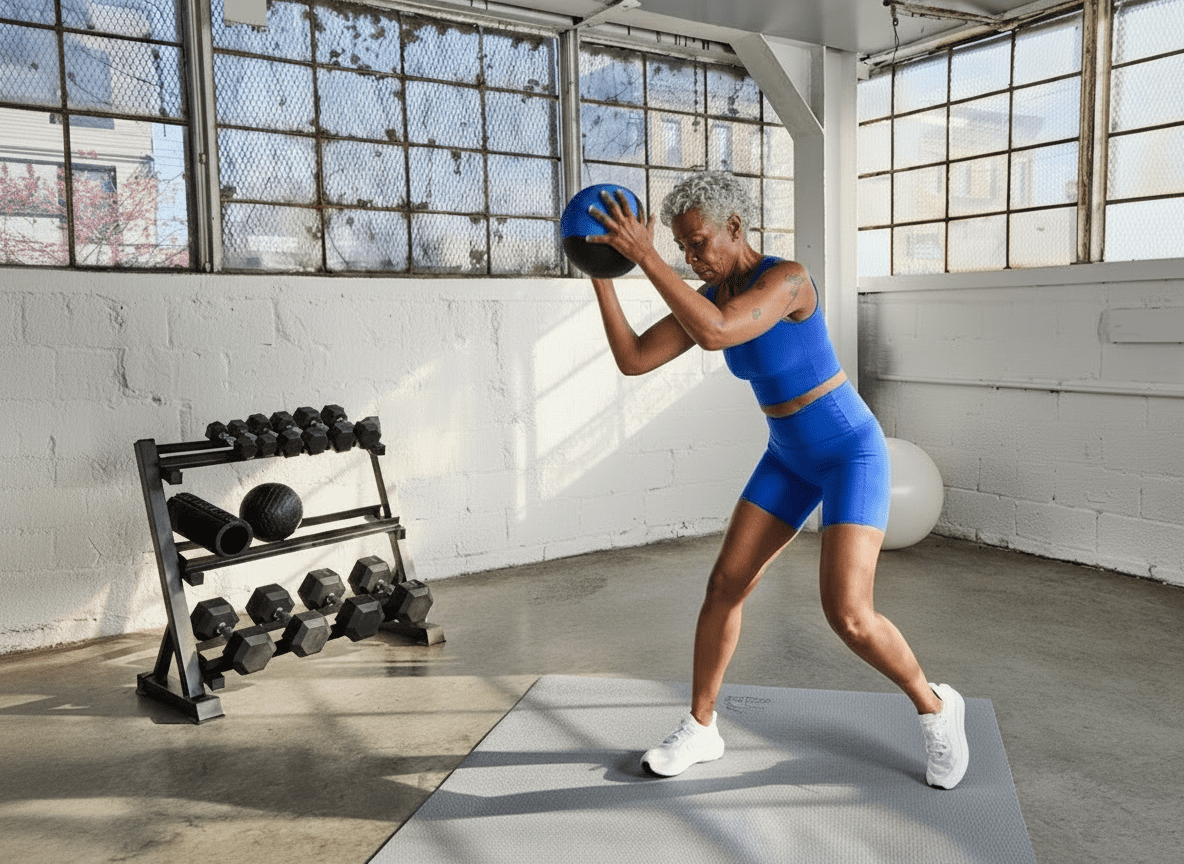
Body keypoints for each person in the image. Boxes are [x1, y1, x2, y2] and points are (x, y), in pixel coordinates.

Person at [584, 171, 969, 790]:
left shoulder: (788, 281)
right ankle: (702, 727)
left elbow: (719, 333)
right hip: (788, 455)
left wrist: (646, 255)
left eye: (698, 242)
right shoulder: (709, 293)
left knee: (848, 613)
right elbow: (633, 358)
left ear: (736, 227)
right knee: (725, 585)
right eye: (681, 247)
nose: (690, 258)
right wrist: (601, 271)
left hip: (849, 452)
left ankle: (936, 707)